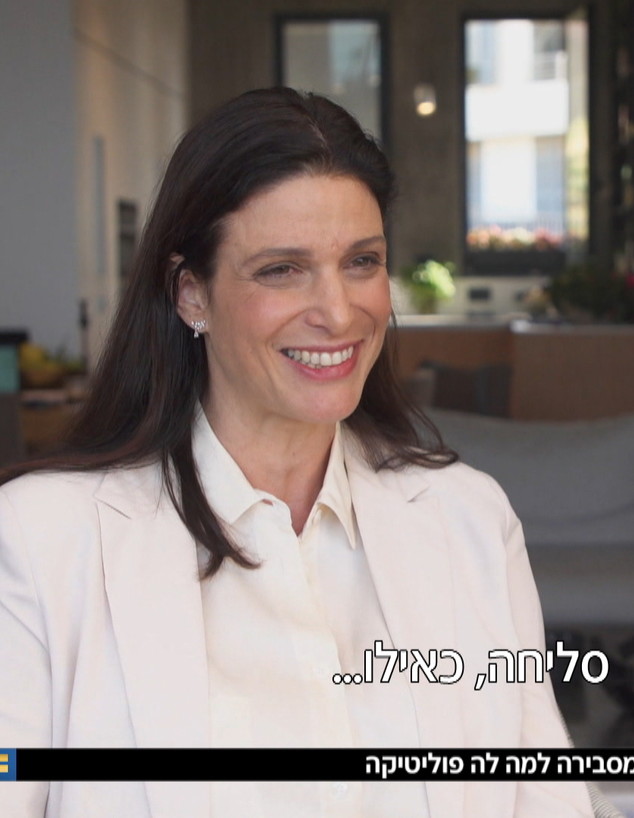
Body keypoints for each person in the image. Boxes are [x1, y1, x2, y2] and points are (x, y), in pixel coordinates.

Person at [0, 87, 597, 817]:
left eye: (361, 261)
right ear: (191, 294)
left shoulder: (469, 519)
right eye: (282, 269)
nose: (338, 312)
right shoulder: (40, 541)